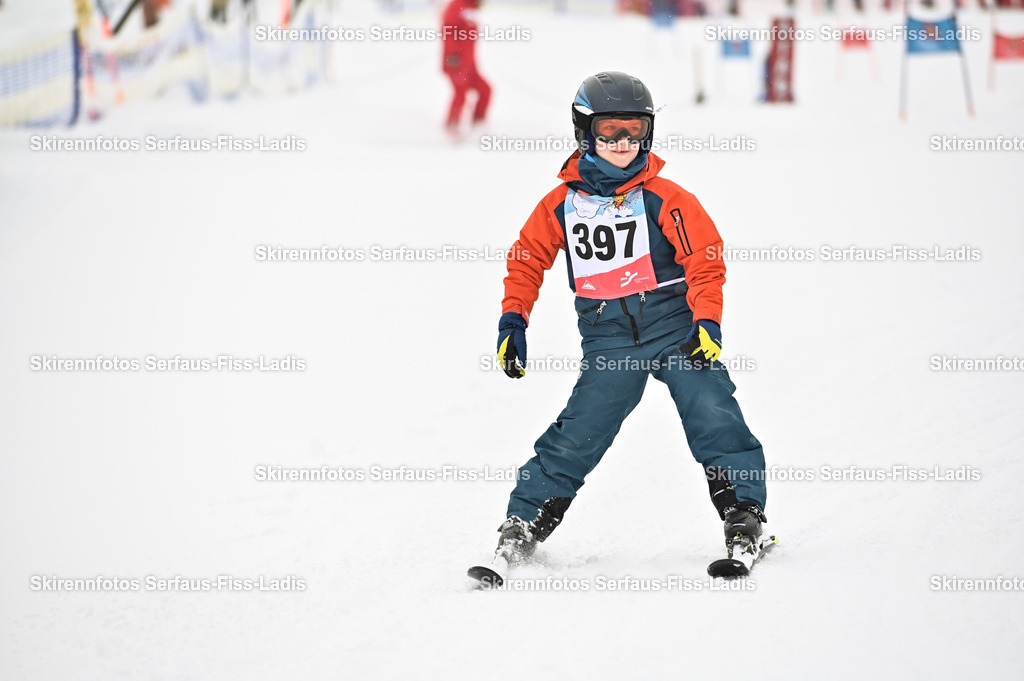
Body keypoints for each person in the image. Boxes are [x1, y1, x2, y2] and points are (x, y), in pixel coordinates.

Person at [489, 71, 768, 569]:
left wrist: (707, 321)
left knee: (712, 410)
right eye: (610, 130)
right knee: (580, 430)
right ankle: (525, 520)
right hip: (609, 341)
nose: (623, 142)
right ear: (585, 133)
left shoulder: (665, 197)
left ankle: (743, 512)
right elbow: (527, 259)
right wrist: (514, 319)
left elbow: (705, 260)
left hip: (676, 331)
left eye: (635, 130)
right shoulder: (562, 205)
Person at [440, 0, 491, 136]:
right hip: (455, 62)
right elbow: (448, 31)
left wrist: (472, 65)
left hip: (469, 65)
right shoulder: (457, 6)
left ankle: (478, 125)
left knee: (486, 89)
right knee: (460, 93)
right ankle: (451, 127)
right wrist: (452, 55)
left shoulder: (471, 8)